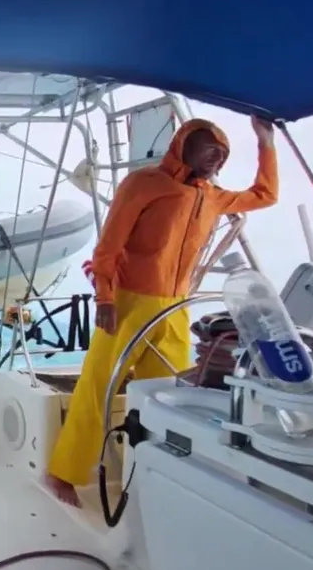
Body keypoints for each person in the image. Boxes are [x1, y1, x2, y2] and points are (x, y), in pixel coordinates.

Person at [46, 115, 279, 507]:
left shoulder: (213, 196)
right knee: (99, 386)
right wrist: (104, 298)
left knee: (166, 394)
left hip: (175, 308)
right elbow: (109, 246)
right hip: (127, 302)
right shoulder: (143, 184)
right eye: (209, 150)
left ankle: (150, 476)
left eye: (222, 154)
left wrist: (265, 142)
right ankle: (63, 473)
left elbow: (265, 195)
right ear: (183, 147)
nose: (217, 159)